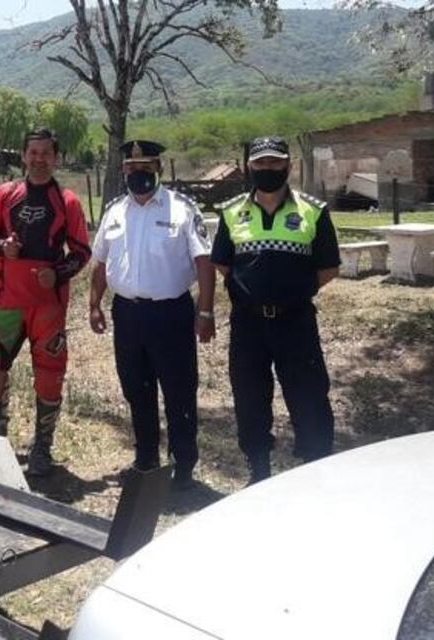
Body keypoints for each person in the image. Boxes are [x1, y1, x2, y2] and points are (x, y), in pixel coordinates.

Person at [210, 135, 340, 485]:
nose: (267, 168)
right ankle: (259, 469)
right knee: (250, 395)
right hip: (248, 324)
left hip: (295, 322)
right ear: (250, 166)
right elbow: (222, 262)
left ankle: (315, 469)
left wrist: (291, 291)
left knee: (309, 394)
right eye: (260, 163)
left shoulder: (313, 210)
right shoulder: (233, 211)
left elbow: (328, 268)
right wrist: (252, 289)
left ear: (288, 165)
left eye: (274, 162)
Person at [88, 140, 216, 490]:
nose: (137, 174)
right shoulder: (114, 210)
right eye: (131, 168)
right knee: (136, 389)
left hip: (171, 314)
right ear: (123, 171)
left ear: (158, 168)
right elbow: (100, 261)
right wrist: (94, 303)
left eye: (145, 167)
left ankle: (183, 466)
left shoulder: (182, 208)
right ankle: (146, 460)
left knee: (178, 390)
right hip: (127, 314)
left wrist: (205, 311)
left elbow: (204, 262)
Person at [0, 128, 91, 476]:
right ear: (24, 156)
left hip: (48, 306)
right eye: (33, 152)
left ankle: (42, 449)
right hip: (8, 301)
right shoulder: (5, 195)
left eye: (46, 153)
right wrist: (2, 248)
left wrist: (58, 273)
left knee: (49, 379)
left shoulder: (67, 200)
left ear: (56, 158)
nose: (39, 159)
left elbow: (82, 251)